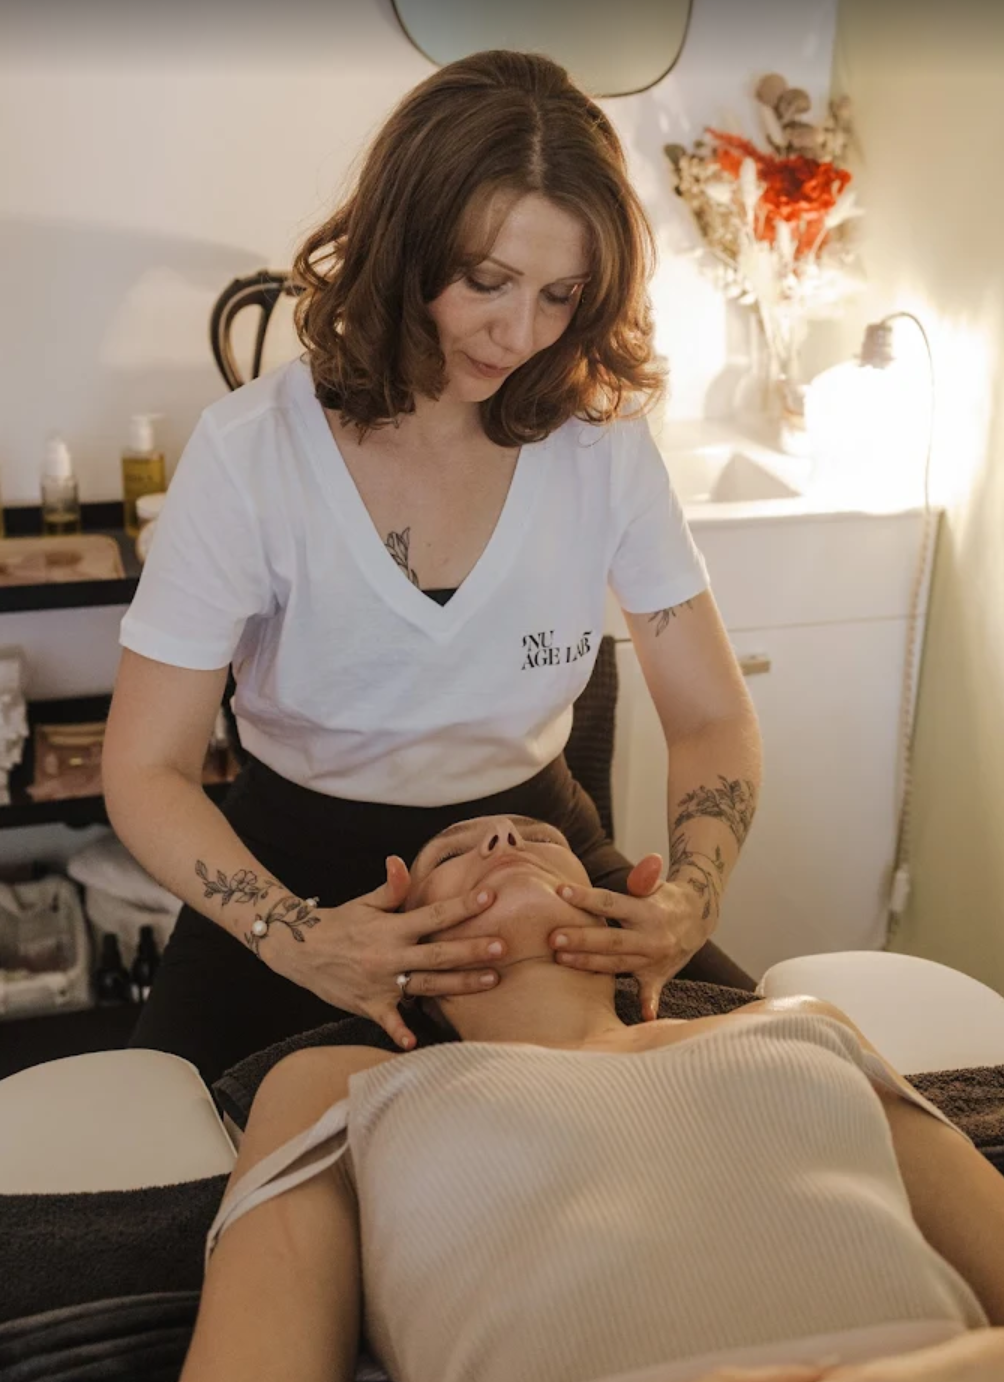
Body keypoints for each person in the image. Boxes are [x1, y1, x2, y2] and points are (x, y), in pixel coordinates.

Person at [102, 49, 762, 1087]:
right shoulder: (250, 454)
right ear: (402, 250)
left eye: (560, 294)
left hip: (543, 852)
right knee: (154, 1164)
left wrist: (690, 893)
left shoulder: (599, 449)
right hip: (301, 867)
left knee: (759, 1082)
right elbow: (143, 768)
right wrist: (295, 935)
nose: (520, 333)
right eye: (485, 281)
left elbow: (711, 717)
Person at [181, 814, 1004, 1382]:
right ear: (408, 942)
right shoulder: (338, 1086)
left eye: (540, 836)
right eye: (453, 854)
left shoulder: (802, 1026)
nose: (506, 837)